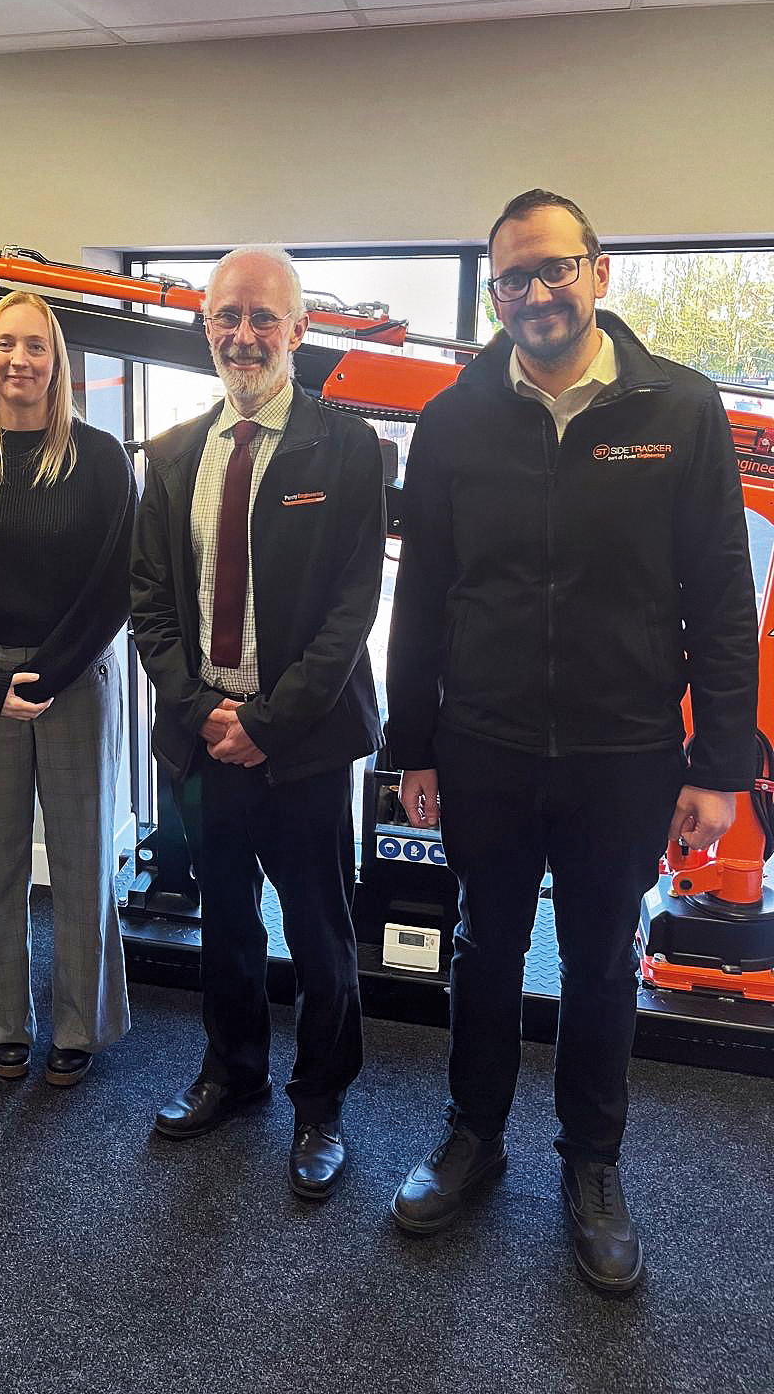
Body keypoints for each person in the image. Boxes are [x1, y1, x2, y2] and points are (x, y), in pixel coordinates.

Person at [386, 189, 757, 1292]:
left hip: (625, 752)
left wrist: (722, 766)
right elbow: (424, 600)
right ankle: (473, 1136)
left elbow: (721, 599)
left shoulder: (680, 410)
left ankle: (593, 1164)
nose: (536, 293)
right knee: (485, 950)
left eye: (555, 269)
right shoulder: (453, 420)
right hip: (487, 744)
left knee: (599, 962)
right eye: (514, 277)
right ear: (495, 294)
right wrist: (414, 746)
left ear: (599, 272)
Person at [131, 245, 386, 1199]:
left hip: (305, 742)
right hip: (202, 741)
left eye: (263, 318)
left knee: (322, 932)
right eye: (226, 317)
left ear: (298, 329)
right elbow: (150, 604)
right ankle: (233, 1075)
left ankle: (320, 1103)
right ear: (206, 328)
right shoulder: (169, 456)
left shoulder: (348, 449)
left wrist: (267, 722)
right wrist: (203, 714)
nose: (244, 335)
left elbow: (350, 612)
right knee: (227, 920)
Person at [0, 290, 135, 1087]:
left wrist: (51, 672)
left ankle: (85, 1024)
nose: (19, 360)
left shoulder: (99, 458)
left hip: (77, 677)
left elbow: (116, 585)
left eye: (35, 346)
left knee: (82, 859)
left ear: (57, 361)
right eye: (4, 344)